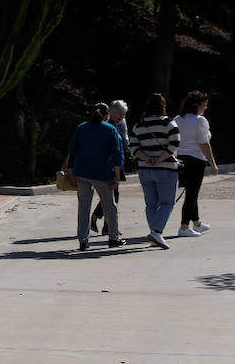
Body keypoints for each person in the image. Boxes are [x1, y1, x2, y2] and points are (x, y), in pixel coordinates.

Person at [66, 102, 125, 250]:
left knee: (84, 206)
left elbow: (71, 148)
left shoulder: (82, 127)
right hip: (102, 173)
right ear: (107, 115)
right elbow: (116, 155)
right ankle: (113, 237)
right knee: (109, 206)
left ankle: (83, 240)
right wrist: (117, 177)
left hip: (82, 172)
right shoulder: (110, 129)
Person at [127, 93, 179, 249]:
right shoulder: (169, 123)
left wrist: (147, 158)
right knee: (167, 203)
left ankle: (153, 234)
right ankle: (156, 232)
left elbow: (133, 147)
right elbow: (175, 143)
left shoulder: (139, 125)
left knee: (151, 204)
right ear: (163, 106)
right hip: (166, 169)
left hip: (145, 169)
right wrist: (159, 159)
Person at [174, 90, 218, 236]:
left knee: (191, 192)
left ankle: (197, 223)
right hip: (196, 160)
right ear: (197, 105)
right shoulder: (200, 120)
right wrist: (213, 163)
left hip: (181, 158)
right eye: (204, 105)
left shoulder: (178, 119)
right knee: (192, 194)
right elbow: (204, 143)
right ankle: (184, 227)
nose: (205, 108)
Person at [91, 99, 129, 233]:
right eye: (120, 113)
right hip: (111, 167)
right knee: (111, 197)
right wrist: (116, 172)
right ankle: (104, 223)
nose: (122, 117)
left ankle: (105, 224)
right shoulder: (109, 127)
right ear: (111, 112)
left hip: (115, 166)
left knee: (111, 196)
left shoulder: (115, 126)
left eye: (124, 114)